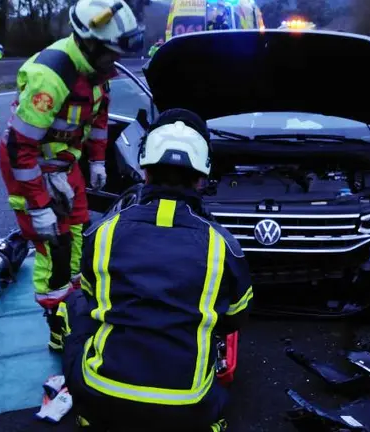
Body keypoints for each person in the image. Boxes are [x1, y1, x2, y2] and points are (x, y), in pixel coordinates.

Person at [55, 108, 254, 431]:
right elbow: (236, 316)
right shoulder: (222, 244)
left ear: (144, 172)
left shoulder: (102, 232)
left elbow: (93, 302)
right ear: (201, 179)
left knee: (74, 307)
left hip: (101, 398)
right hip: (187, 409)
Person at [0, 0, 144, 350]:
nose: (116, 62)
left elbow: (98, 122)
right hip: (31, 169)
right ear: (89, 43)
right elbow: (20, 147)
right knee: (54, 248)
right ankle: (57, 327)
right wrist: (38, 205)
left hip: (64, 165)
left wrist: (96, 162)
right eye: (111, 53)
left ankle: (73, 305)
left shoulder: (97, 73)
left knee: (76, 233)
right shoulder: (51, 76)